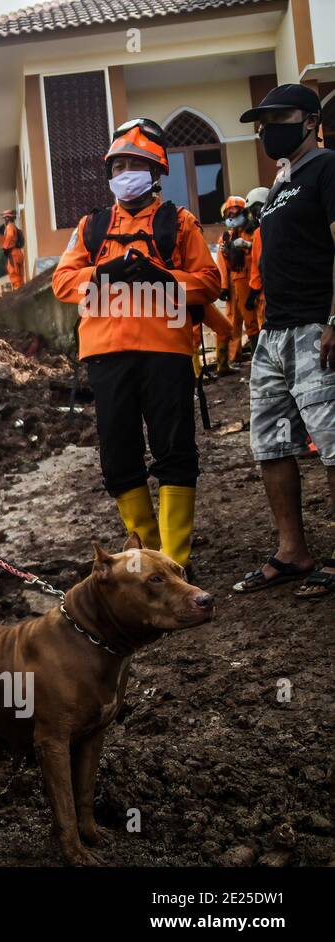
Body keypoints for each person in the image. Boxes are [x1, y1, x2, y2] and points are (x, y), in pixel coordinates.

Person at [52, 117, 222, 571]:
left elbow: (210, 282)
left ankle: (175, 560)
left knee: (175, 452)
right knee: (119, 458)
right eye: (117, 165)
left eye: (134, 163)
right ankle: (149, 558)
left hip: (165, 353)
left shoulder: (179, 223)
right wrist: (101, 274)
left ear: (155, 170)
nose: (124, 172)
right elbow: (62, 281)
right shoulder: (92, 226)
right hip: (106, 357)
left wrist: (164, 278)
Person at [231, 84, 335, 600]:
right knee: (269, 442)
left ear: (311, 120)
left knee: (333, 443)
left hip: (316, 328)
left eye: (281, 116)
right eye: (263, 120)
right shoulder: (279, 185)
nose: (269, 127)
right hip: (273, 336)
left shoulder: (327, 167)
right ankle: (292, 551)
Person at [214, 195, 252, 374]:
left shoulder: (252, 232)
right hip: (234, 281)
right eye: (229, 213)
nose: (232, 216)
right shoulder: (226, 237)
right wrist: (223, 287)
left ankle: (259, 353)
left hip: (252, 280)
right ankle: (229, 358)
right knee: (232, 321)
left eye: (235, 212)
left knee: (255, 319)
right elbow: (222, 264)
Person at [242, 185, 272, 353]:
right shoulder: (277, 226)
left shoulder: (260, 232)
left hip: (265, 295)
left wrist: (252, 293)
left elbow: (259, 265)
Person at [0, 209, 26, 289]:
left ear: (8, 218)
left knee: (13, 273)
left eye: (5, 218)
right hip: (18, 253)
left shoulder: (10, 226)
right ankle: (22, 290)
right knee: (20, 275)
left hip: (13, 253)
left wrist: (5, 247)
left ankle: (18, 291)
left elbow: (10, 236)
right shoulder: (14, 227)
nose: (4, 220)